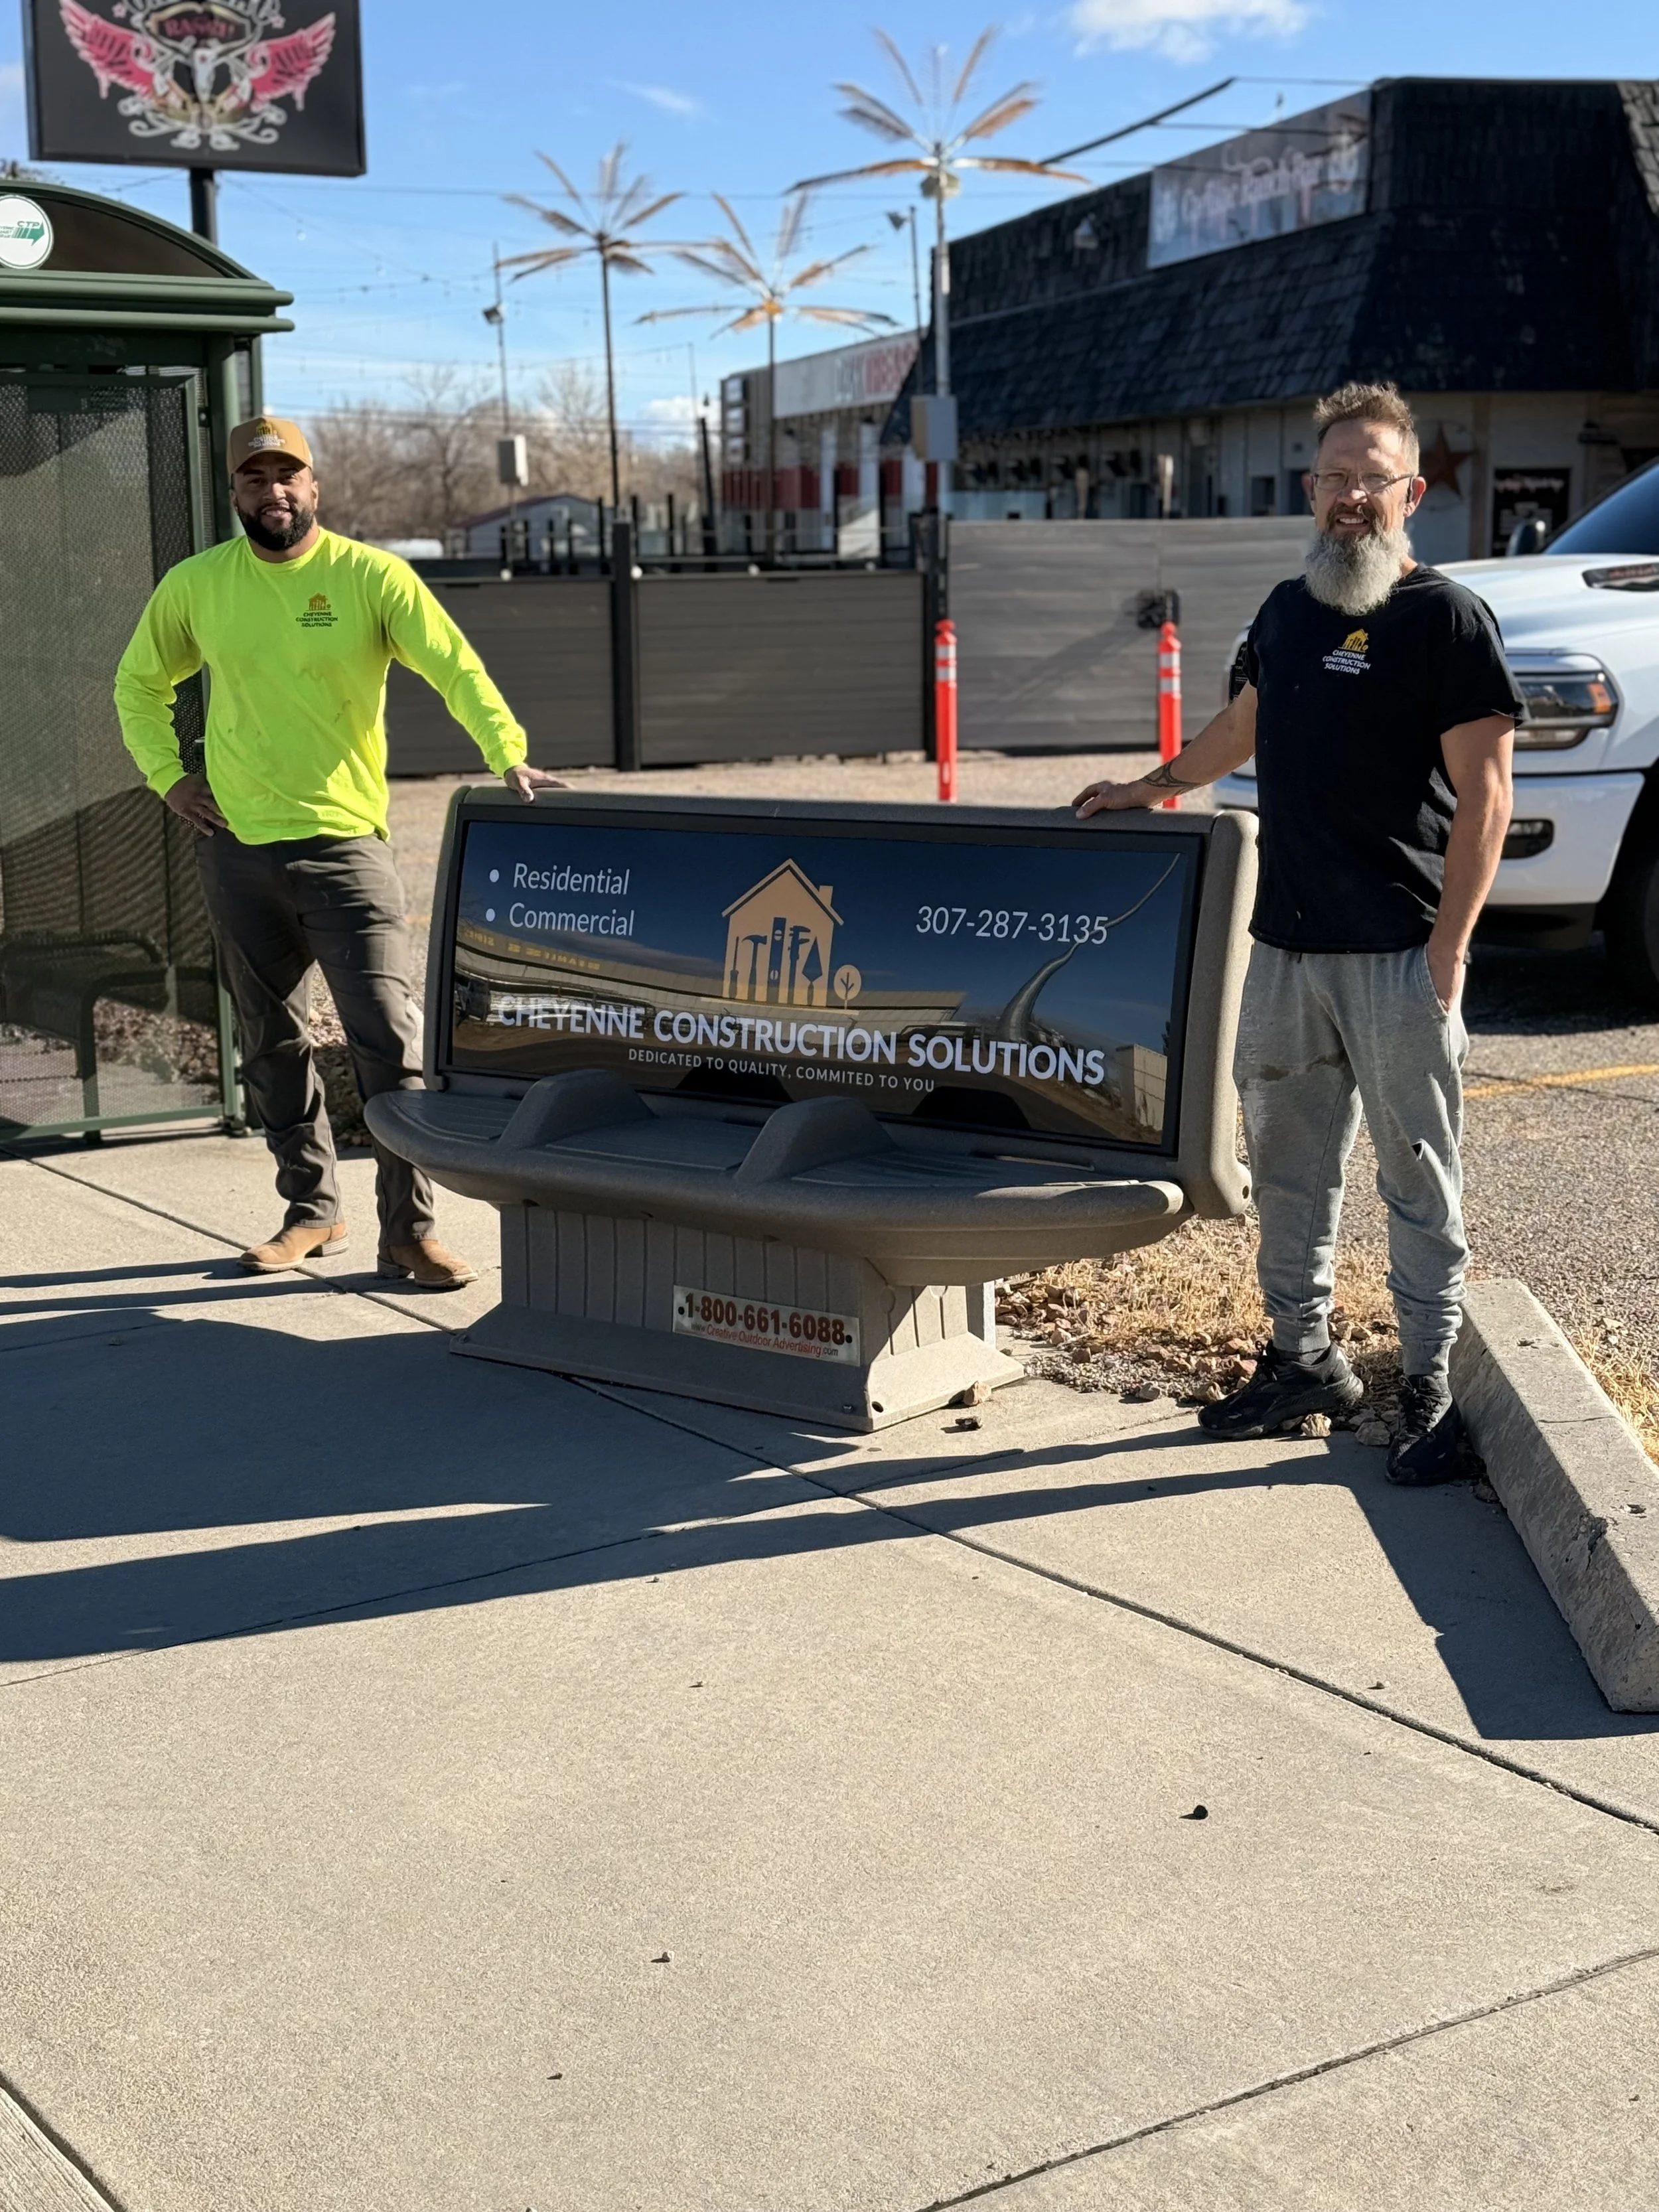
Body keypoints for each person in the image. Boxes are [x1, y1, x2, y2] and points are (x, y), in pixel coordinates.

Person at [1074, 381, 1523, 1483]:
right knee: (1287, 1172)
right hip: (1283, 951)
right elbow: (1244, 725)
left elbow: (1490, 798)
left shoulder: (1447, 621)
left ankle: (1428, 1385)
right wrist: (1155, 786)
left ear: (1411, 491)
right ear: (1311, 490)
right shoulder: (1285, 611)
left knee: (1419, 1179)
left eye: (1372, 477)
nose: (1349, 497)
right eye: (1332, 477)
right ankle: (1303, 1360)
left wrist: (1450, 950)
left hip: (1398, 953)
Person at [115, 415, 563, 1286]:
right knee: (272, 1043)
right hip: (237, 849)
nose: (272, 490)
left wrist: (503, 750)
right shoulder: (199, 586)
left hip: (348, 850)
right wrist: (171, 780)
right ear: (235, 492)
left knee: (389, 1044)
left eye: (288, 475)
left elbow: (454, 665)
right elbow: (139, 682)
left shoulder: (369, 578)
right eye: (254, 478)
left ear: (314, 487)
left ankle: (410, 1230)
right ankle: (312, 1213)